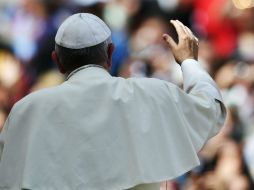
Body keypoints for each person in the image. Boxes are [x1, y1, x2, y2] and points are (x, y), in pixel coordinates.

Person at [0, 13, 226, 190]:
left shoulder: (25, 111)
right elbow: (212, 110)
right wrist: (189, 63)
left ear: (57, 61)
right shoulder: (152, 94)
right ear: (110, 54)